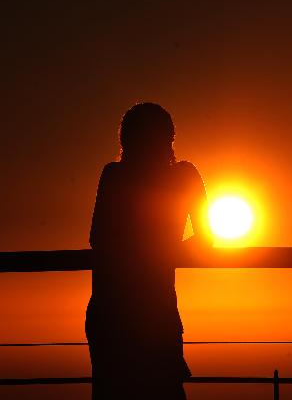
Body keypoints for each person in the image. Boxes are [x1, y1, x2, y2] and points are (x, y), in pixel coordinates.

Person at [85, 103, 211, 399]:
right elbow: (205, 241)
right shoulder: (184, 176)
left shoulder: (114, 175)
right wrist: (165, 251)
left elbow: (97, 238)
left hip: (112, 311)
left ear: (125, 140)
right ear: (169, 139)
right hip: (153, 311)